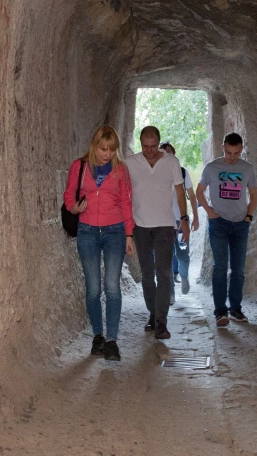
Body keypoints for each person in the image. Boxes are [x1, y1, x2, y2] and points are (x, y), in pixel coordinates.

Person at [63, 125, 135, 361]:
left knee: (112, 286)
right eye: (104, 149)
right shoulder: (79, 166)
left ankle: (112, 340)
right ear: (95, 146)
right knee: (93, 288)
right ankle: (98, 336)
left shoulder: (121, 170)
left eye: (112, 150)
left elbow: (126, 202)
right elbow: (69, 194)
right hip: (87, 231)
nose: (107, 154)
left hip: (115, 231)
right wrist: (74, 207)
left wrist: (129, 235)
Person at [125, 126, 190, 340]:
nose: (150, 151)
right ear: (140, 143)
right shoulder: (130, 163)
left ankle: (162, 321)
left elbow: (180, 192)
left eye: (153, 146)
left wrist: (184, 219)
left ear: (159, 143)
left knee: (163, 274)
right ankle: (153, 313)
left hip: (164, 225)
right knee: (147, 274)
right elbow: (123, 194)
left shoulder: (171, 162)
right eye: (145, 146)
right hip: (140, 226)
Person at [196, 132, 257, 327]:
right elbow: (199, 192)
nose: (232, 157)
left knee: (238, 270)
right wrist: (209, 212)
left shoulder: (247, 168)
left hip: (240, 224)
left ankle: (236, 310)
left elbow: (254, 195)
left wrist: (248, 216)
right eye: (229, 152)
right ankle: (220, 312)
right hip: (219, 223)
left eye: (237, 153)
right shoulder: (212, 168)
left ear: (241, 150)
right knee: (220, 267)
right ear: (223, 148)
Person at [159, 142, 199, 301]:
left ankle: (183, 276)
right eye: (164, 152)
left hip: (181, 220)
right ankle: (170, 293)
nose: (168, 155)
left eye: (170, 152)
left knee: (182, 255)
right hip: (164, 221)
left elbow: (192, 194)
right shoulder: (157, 174)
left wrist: (195, 216)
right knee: (166, 257)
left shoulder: (183, 172)